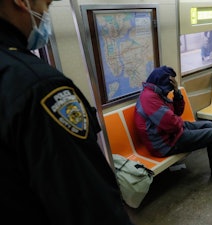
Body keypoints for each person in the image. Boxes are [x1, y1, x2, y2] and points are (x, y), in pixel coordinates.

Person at [0, 0, 134, 224]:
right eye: (46, 4)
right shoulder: (40, 88)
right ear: (22, 2)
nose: (44, 14)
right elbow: (89, 204)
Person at [134, 65, 212, 184]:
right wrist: (179, 122)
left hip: (170, 134)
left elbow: (177, 113)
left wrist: (177, 92)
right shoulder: (149, 99)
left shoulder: (156, 94)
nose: (168, 91)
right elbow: (172, 124)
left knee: (209, 125)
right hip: (163, 144)